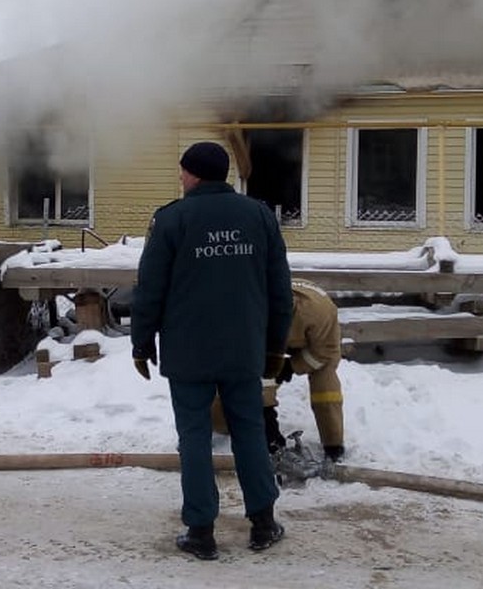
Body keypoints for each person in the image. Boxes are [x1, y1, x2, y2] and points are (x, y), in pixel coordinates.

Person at [131, 141, 293, 561]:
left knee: (195, 437)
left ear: (195, 174)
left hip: (188, 351)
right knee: (249, 431)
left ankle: (201, 531)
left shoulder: (171, 220)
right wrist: (275, 346)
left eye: (183, 171)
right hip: (244, 348)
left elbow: (150, 287)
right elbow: (280, 290)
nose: (180, 178)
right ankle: (263, 522)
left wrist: (141, 341)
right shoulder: (259, 216)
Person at [214, 278, 346, 461]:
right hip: (267, 345)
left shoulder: (320, 312)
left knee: (326, 383)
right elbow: (255, 368)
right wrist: (267, 420)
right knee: (242, 384)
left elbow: (325, 351)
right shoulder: (249, 313)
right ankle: (231, 426)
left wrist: (292, 366)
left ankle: (334, 445)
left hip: (315, 343)